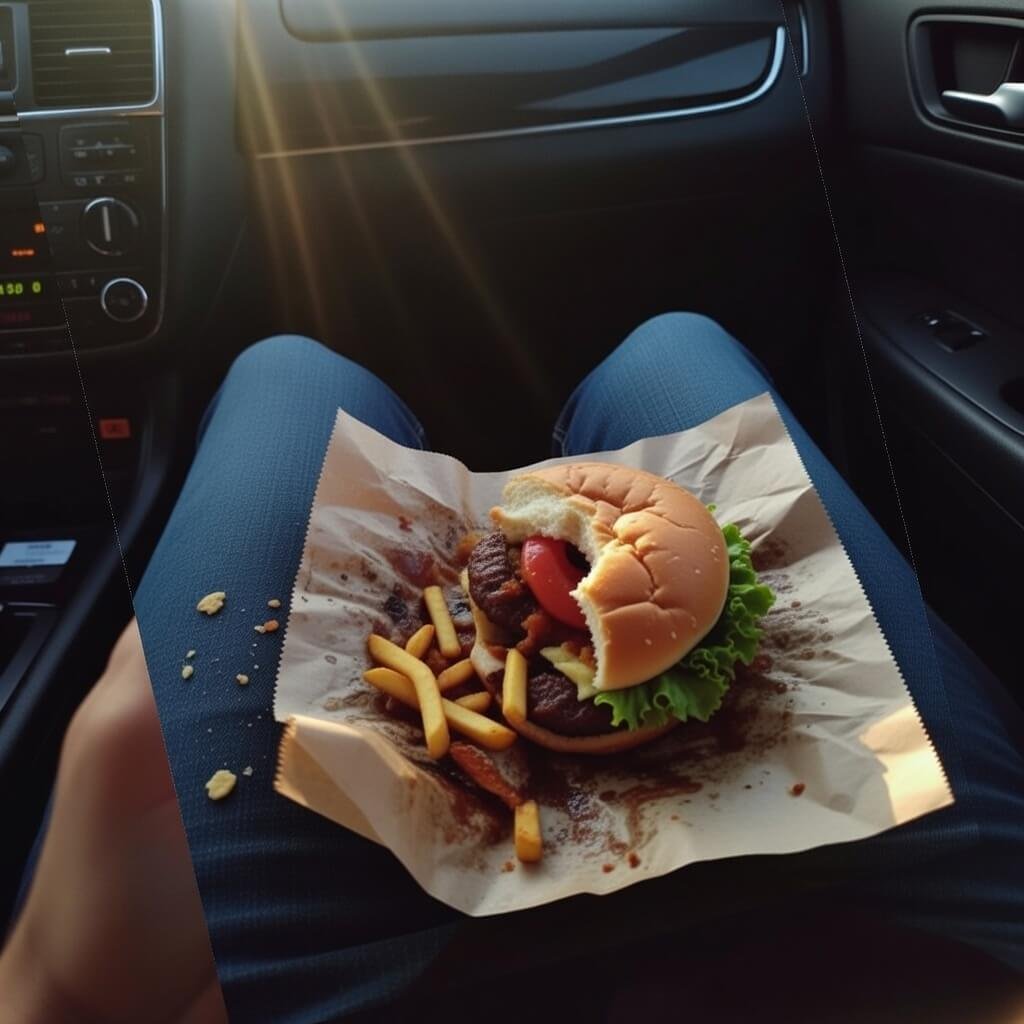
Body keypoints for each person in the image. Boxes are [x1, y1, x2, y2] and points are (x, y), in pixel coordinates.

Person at [2, 315, 1023, 1023]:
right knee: (672, 347)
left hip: (267, 973)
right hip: (960, 939)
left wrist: (59, 989)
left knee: (288, 368)